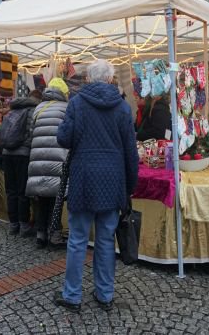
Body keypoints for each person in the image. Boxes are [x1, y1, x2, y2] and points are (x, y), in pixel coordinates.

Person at [54, 60, 139, 312]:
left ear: (88, 79)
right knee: (105, 240)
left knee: (78, 239)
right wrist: (129, 187)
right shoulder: (123, 108)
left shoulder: (77, 103)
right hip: (113, 181)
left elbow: (63, 138)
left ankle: (72, 295)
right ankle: (104, 294)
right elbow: (130, 153)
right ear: (111, 79)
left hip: (83, 178)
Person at [25, 78, 69, 248]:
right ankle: (55, 235)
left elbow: (30, 134)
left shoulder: (38, 108)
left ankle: (40, 234)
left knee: (41, 197)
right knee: (56, 198)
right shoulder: (66, 108)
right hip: (58, 158)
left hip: (37, 157)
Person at [2, 91, 41, 237]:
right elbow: (32, 134)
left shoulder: (12, 110)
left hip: (7, 153)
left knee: (10, 191)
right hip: (23, 155)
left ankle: (13, 225)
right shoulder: (32, 111)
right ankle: (24, 225)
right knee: (22, 191)